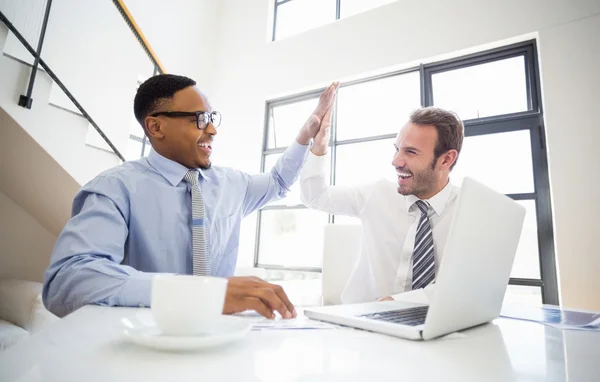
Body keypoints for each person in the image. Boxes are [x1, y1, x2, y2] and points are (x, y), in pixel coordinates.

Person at [43, 74, 339, 318]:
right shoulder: (114, 189)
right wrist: (194, 294)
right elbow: (68, 280)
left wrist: (306, 135)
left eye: (211, 117)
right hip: (146, 349)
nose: (212, 130)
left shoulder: (231, 183)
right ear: (156, 126)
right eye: (199, 119)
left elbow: (277, 182)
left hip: (222, 342)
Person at [300, 106, 464, 303]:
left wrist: (401, 303)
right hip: (361, 322)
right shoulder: (376, 194)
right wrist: (319, 144)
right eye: (397, 149)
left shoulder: (469, 211)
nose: (396, 161)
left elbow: (471, 283)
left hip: (436, 327)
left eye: (410, 152)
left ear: (446, 159)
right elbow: (314, 196)